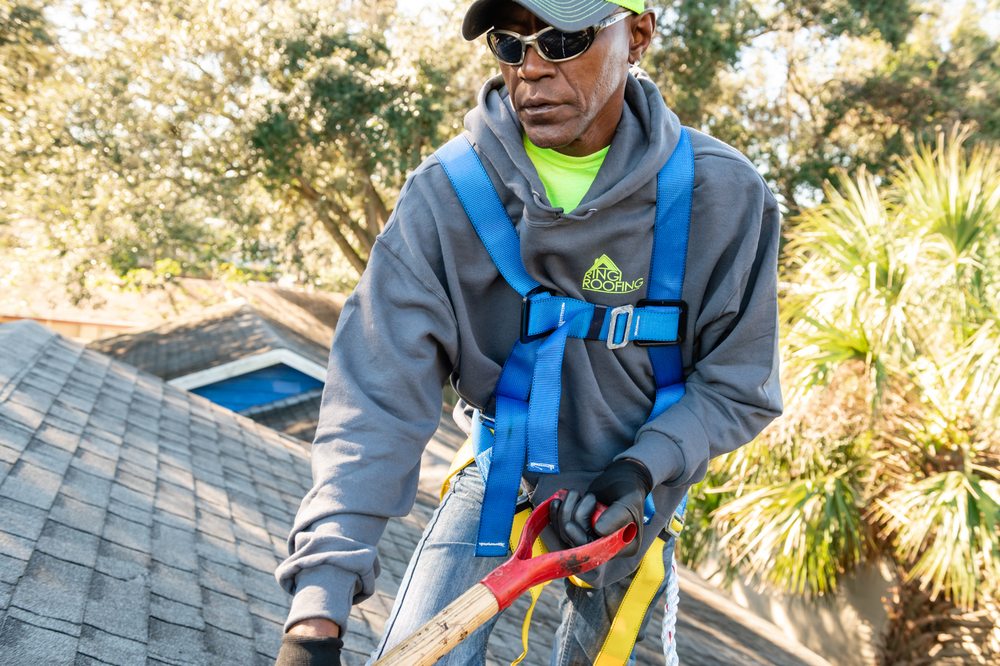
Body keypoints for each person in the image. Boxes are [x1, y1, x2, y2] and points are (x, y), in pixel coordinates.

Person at [274, 0, 783, 663]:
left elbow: (740, 386)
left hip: (632, 502)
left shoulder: (724, 197)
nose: (531, 71)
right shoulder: (449, 194)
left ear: (638, 34)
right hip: (503, 478)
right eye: (509, 44)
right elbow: (375, 393)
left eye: (563, 39)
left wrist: (643, 466)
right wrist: (317, 612)